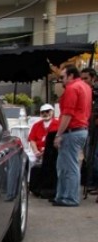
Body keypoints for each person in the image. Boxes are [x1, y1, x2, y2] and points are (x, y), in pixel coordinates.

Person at [52, 65, 92, 207]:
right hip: (80, 129)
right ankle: (64, 195)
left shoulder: (72, 88)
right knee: (67, 165)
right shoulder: (85, 87)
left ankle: (69, 197)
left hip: (73, 130)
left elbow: (68, 114)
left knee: (68, 166)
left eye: (62, 77)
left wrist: (58, 134)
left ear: (70, 76)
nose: (61, 81)